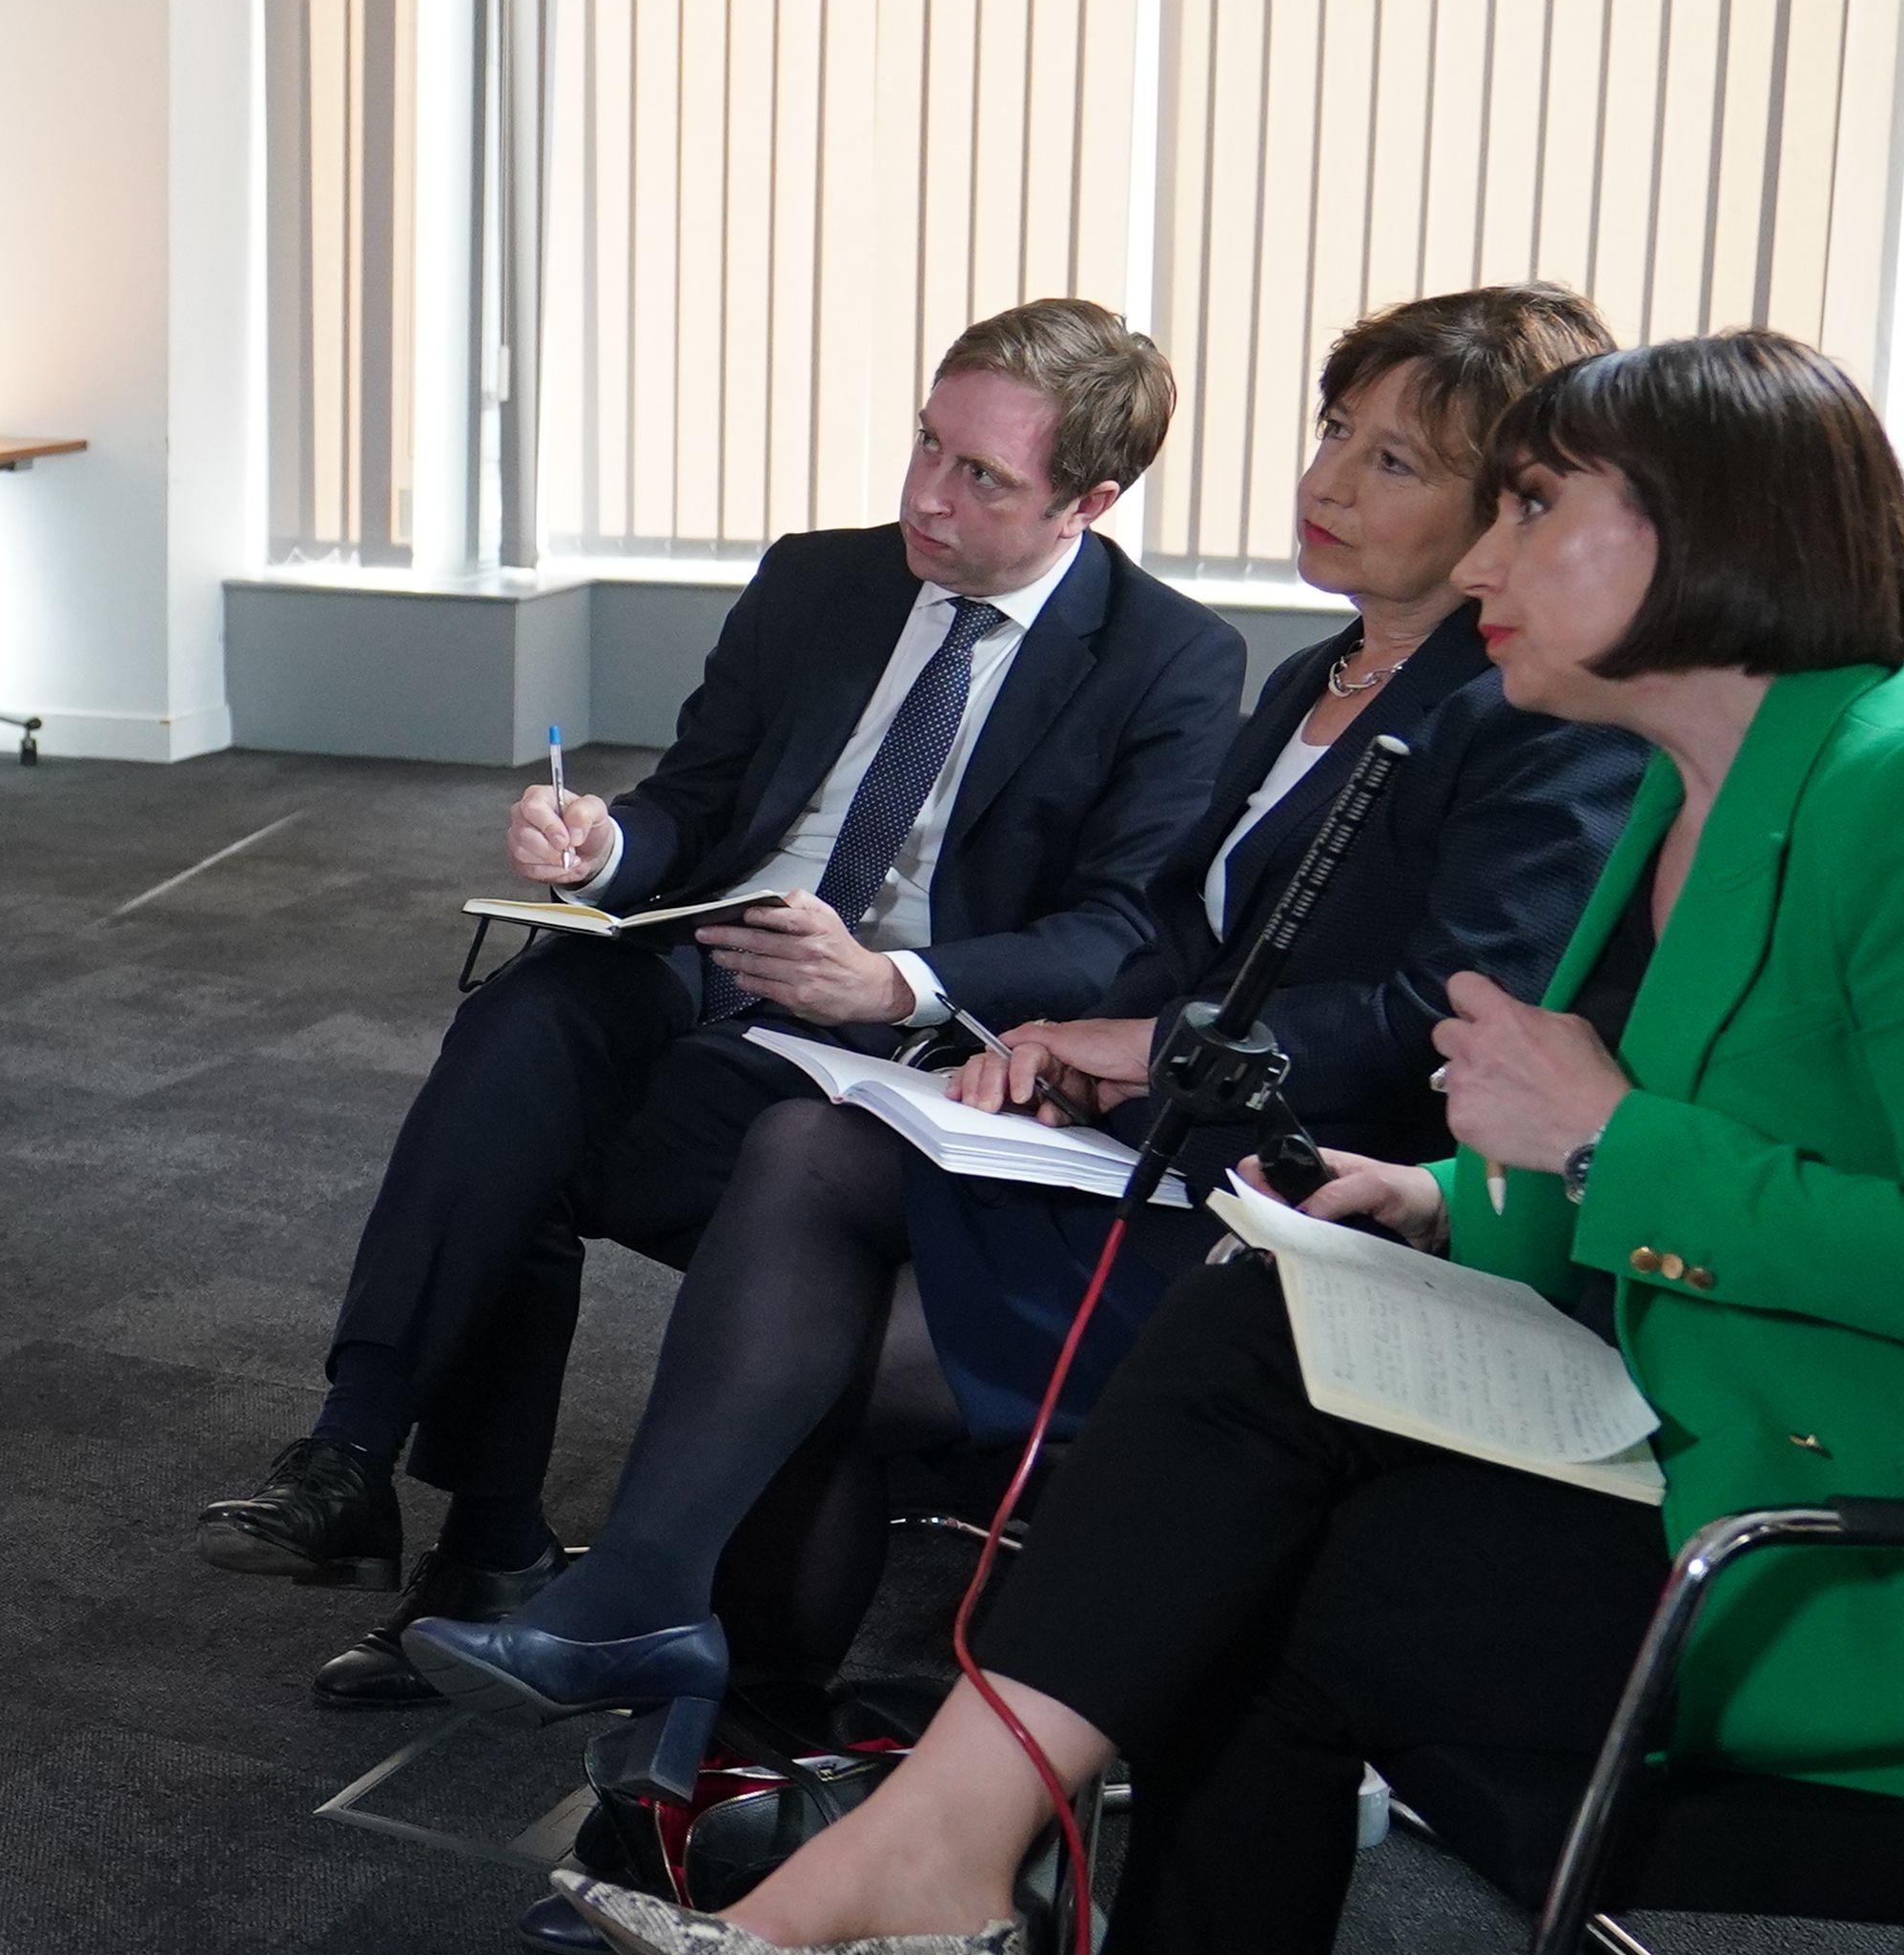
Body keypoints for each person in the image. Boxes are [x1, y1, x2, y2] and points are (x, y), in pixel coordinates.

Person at [557, 330, 1904, 1955]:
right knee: (1263, 1320)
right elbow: (1743, 1150)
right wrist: (1459, 1197)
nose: (1485, 557)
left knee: (1268, 1582)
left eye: (1534, 508)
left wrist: (1604, 1142)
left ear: (1695, 543)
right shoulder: (1713, 793)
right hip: (1721, 1428)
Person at [399, 289, 1645, 1760]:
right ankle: (660, 1635)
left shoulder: (1524, 713)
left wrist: (1143, 1050)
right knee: (809, 1143)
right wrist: (1062, 1041)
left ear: (1511, 509)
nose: (1323, 483)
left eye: (1393, 463)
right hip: (1174, 1137)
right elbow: (1186, 935)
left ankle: (712, 1748)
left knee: (828, 1336)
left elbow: (1435, 1017)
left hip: (1321, 1196)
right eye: (1333, 433)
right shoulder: (1322, 673)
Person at [200, 300, 1250, 1708]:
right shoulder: (822, 580)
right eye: (927, 444)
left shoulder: (1169, 657)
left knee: (531, 1157)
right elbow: (697, 802)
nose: (926, 496)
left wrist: (899, 980)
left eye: (982, 476)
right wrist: (604, 848)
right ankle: (350, 1441)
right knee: (528, 1022)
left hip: (910, 1030)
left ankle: (489, 1552)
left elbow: (1123, 931)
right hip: (718, 949)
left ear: (1092, 501)